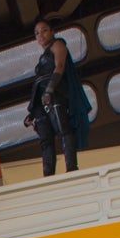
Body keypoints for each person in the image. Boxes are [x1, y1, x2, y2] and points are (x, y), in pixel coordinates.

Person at [25, 18, 89, 176]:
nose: (40, 35)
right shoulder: (42, 58)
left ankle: (71, 168)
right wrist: (32, 112)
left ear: (52, 31)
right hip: (41, 99)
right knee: (45, 138)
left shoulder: (58, 44)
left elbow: (59, 66)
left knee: (63, 129)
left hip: (55, 94)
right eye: (37, 33)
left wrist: (50, 90)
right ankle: (48, 174)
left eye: (44, 30)